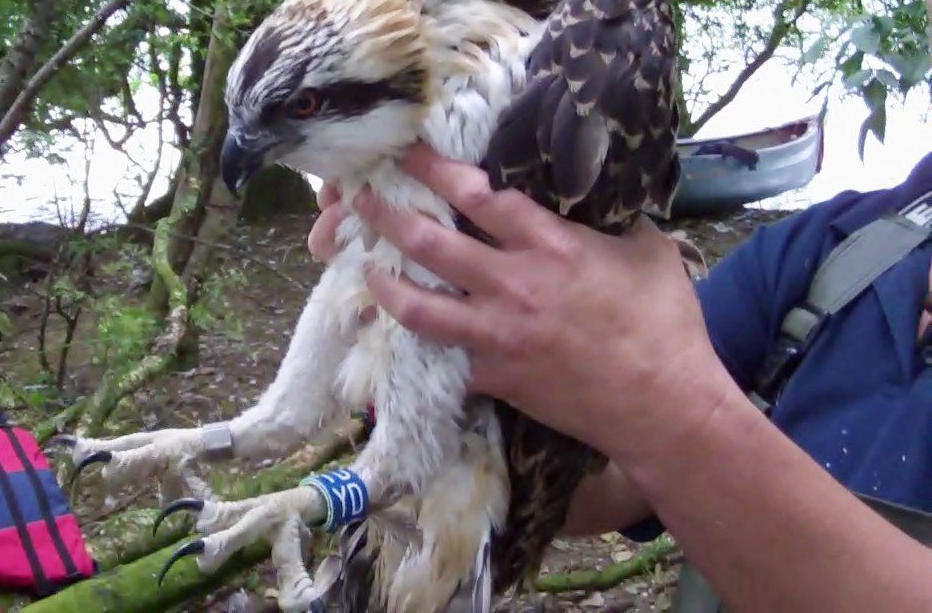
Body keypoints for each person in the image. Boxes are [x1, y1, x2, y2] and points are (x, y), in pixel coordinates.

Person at [306, 143, 932, 611]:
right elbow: (601, 480)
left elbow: (647, 408)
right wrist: (442, 359)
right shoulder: (840, 244)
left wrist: (666, 410)